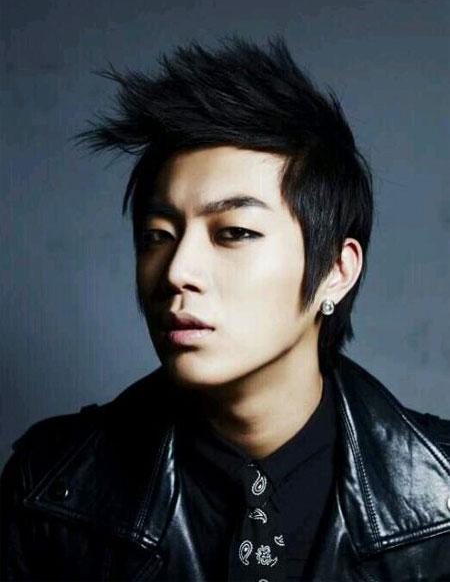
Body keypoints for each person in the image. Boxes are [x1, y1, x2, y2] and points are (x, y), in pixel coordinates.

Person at [1, 35, 450, 582]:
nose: (177, 271)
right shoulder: (51, 488)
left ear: (337, 269)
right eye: (157, 235)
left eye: (234, 232)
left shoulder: (438, 497)